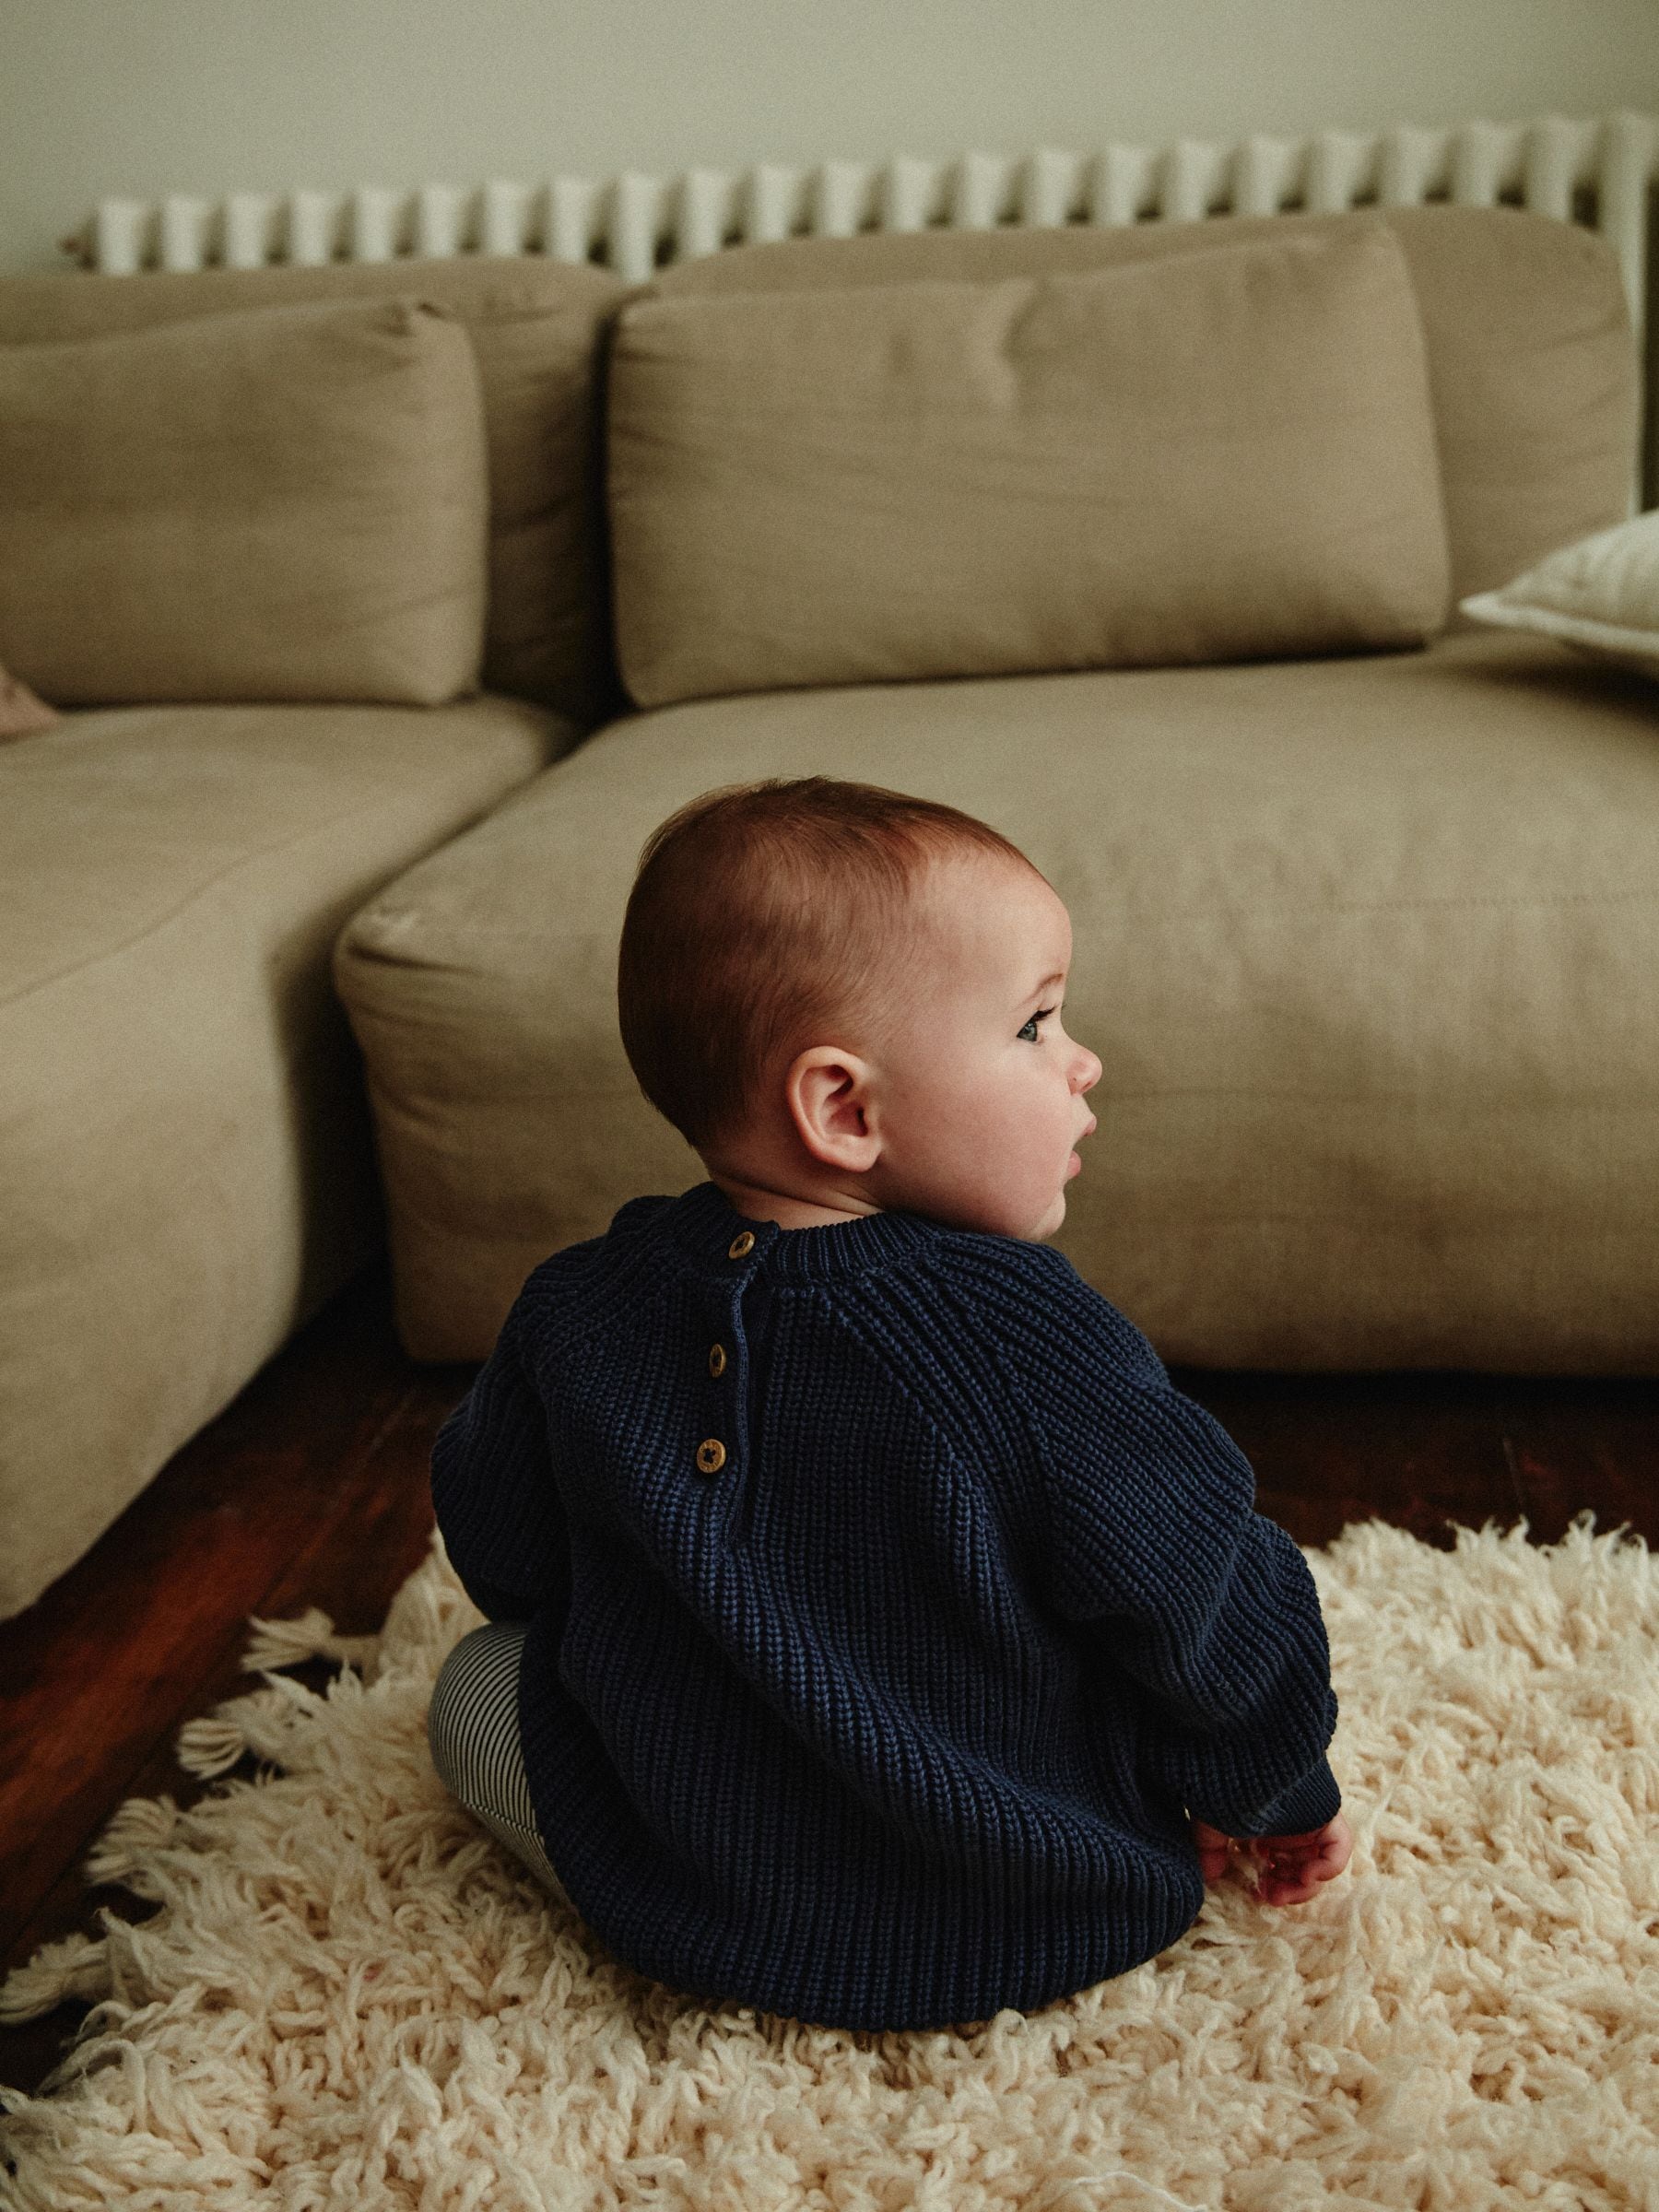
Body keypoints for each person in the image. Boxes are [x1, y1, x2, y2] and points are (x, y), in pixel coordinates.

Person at [426, 774, 1353, 2032]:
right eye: (1035, 1026)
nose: (1084, 1063)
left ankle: (721, 1898)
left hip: (690, 1893)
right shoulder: (1035, 1341)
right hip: (1045, 1906)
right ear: (845, 1109)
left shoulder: (576, 1308)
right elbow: (1213, 1608)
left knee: (479, 1688)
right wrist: (1280, 1788)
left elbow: (508, 1559)